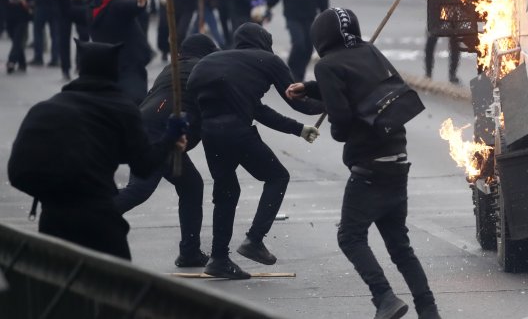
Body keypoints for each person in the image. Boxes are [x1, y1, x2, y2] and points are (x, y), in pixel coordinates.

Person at [306, 7, 441, 319]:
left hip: (369, 169)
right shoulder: (370, 51)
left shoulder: (327, 66)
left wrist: (338, 125)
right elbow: (361, 90)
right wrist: (311, 90)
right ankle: (429, 310)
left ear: (321, 38)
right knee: (400, 247)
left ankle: (384, 297)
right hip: (398, 162)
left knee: (350, 237)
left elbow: (340, 121)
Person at [7, 40, 186, 259]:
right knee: (114, 287)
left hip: (53, 219)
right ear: (113, 71)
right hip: (99, 219)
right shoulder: (121, 109)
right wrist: (169, 137)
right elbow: (143, 165)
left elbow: (17, 170)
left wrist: (50, 195)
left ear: (80, 69)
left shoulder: (48, 108)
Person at [186, 23, 322, 279]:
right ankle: (254, 240)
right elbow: (299, 100)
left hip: (210, 135)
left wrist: (298, 130)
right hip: (237, 131)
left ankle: (218, 259)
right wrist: (331, 102)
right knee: (277, 177)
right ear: (263, 42)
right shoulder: (267, 59)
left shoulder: (210, 62)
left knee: (226, 192)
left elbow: (255, 109)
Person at [114, 34, 218, 267]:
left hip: (147, 122)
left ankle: (189, 252)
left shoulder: (172, 68)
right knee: (139, 189)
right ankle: (92, 216)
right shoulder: (202, 68)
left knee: (191, 185)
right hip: (160, 130)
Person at [89, 0, 153, 104]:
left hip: (131, 63)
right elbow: (68, 10)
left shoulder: (117, 4)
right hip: (109, 67)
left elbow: (131, 6)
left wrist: (139, 3)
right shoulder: (90, 11)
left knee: (135, 100)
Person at [267, 0, 329, 80]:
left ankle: (299, 72)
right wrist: (267, 6)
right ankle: (292, 68)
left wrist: (325, 13)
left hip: (309, 16)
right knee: (299, 42)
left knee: (308, 47)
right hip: (292, 16)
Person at [418, 0, 460, 83]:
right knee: (432, 41)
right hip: (438, 12)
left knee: (454, 43)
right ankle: (429, 73)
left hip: (452, 11)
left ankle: (451, 75)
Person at [2, 0, 37, 74]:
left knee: (18, 37)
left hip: (22, 12)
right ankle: (22, 62)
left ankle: (11, 61)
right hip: (9, 11)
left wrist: (32, 2)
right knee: (13, 35)